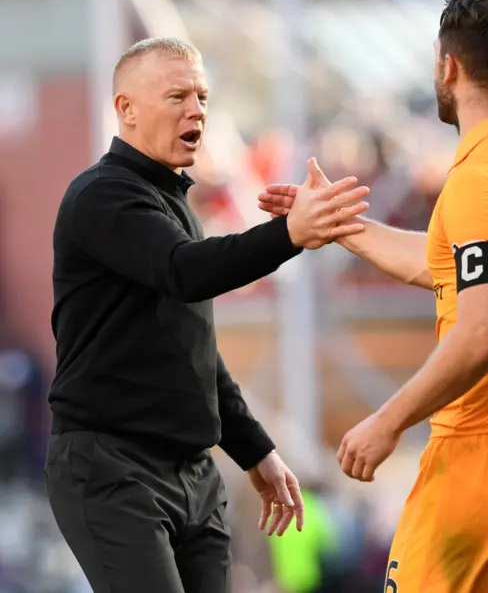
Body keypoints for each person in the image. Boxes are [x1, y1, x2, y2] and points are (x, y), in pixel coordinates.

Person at [258, 0, 488, 592]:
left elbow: (486, 329)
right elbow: (451, 266)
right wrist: (343, 227)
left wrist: (388, 421)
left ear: (449, 66)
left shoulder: (479, 179)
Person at [46, 36, 370, 593]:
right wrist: (290, 233)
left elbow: (192, 352)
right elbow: (186, 270)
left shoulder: (172, 203)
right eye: (177, 96)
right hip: (110, 466)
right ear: (125, 109)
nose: (197, 109)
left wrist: (256, 450)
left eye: (202, 96)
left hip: (194, 472)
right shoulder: (101, 196)